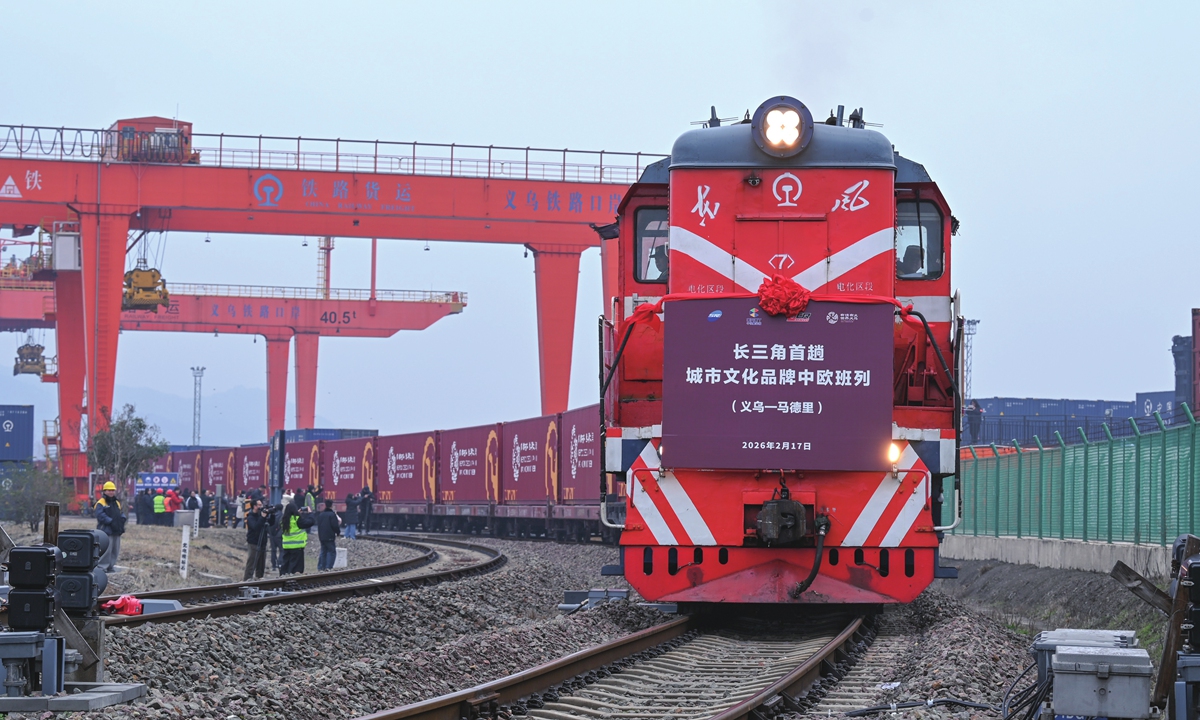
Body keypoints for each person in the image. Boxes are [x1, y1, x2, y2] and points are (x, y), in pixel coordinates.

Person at [94, 481, 127, 572]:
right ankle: (102, 567)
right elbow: (100, 515)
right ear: (104, 491)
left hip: (116, 530)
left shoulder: (117, 502)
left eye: (112, 490)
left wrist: (122, 519)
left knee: (115, 550)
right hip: (106, 530)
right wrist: (110, 521)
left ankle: (110, 566)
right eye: (109, 490)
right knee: (106, 550)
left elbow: (121, 513)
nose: (111, 492)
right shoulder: (101, 502)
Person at [243, 499, 277, 581]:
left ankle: (259, 579)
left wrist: (272, 514)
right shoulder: (250, 517)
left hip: (262, 543)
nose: (261, 506)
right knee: (251, 564)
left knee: (261, 565)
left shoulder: (261, 516)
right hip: (254, 543)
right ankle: (247, 580)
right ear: (254, 506)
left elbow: (271, 523)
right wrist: (262, 517)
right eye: (259, 505)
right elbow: (256, 527)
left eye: (261, 504)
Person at [279, 503, 315, 575]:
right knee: (296, 569)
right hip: (297, 547)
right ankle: (292, 582)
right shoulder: (297, 520)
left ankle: (283, 579)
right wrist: (310, 513)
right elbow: (310, 522)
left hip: (286, 546)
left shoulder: (283, 520)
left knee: (286, 566)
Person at [315, 500, 341, 571]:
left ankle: (321, 567)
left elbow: (319, 525)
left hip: (322, 536)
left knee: (323, 551)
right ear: (331, 505)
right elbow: (335, 526)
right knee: (331, 551)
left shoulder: (321, 515)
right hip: (329, 536)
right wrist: (338, 532)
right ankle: (328, 567)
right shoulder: (332, 515)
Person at [268, 504, 284, 570]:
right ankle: (280, 563)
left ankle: (273, 565)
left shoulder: (271, 515)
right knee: (282, 550)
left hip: (272, 535)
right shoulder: (283, 516)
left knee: (273, 550)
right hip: (279, 535)